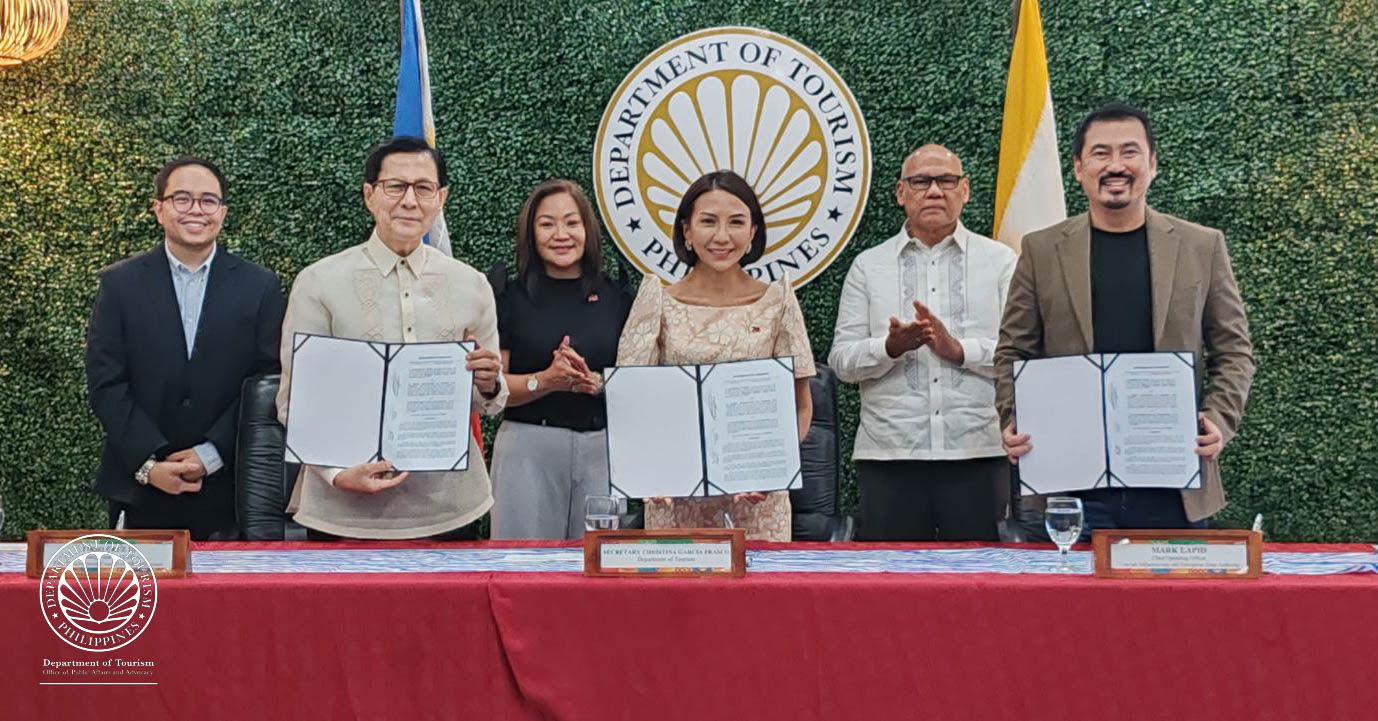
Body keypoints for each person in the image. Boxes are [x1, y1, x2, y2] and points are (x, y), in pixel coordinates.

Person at [996, 103, 1255, 530]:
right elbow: (1013, 351)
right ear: (1078, 168)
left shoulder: (1201, 247)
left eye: (1129, 152)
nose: (1115, 166)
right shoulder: (1041, 250)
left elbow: (1234, 351)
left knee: (1171, 598)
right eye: (1100, 154)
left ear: (1152, 164)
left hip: (1174, 481)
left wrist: (1218, 419)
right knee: (1072, 600)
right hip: (1071, 487)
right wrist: (1013, 418)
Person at [275, 136, 506, 540]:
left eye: (423, 188)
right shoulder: (320, 282)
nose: (409, 201)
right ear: (369, 195)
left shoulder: (471, 284)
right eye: (394, 186)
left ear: (441, 198)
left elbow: (488, 400)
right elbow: (295, 401)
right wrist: (335, 473)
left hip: (450, 508)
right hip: (343, 510)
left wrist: (487, 383)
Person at [86, 156, 284, 540]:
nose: (196, 210)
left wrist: (211, 454)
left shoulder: (259, 286)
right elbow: (105, 381)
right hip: (140, 486)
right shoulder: (120, 285)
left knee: (228, 601)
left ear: (222, 212)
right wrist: (149, 464)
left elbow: (267, 380)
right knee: (143, 598)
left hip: (229, 488)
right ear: (159, 209)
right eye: (182, 199)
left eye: (208, 200)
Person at [616, 170, 814, 542]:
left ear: (753, 232)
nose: (722, 236)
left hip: (758, 504)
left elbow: (800, 406)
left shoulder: (778, 300)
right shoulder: (657, 299)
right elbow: (631, 401)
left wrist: (772, 471)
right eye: (708, 222)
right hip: (674, 498)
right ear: (687, 232)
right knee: (678, 601)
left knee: (760, 599)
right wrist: (649, 473)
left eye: (736, 222)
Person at [829, 145, 1015, 541]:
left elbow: (1022, 354)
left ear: (964, 190)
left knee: (978, 587)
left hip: (976, 452)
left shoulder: (1001, 261)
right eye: (920, 182)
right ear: (900, 193)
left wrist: (959, 350)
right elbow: (842, 361)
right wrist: (889, 348)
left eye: (946, 181)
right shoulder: (868, 265)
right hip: (890, 455)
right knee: (892, 591)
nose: (934, 191)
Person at [487, 179, 633, 539]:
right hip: (528, 448)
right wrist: (546, 379)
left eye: (571, 222)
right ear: (531, 233)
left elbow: (638, 384)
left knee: (600, 577)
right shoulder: (508, 294)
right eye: (547, 224)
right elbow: (493, 388)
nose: (561, 234)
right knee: (523, 572)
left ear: (588, 229)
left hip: (602, 451)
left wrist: (596, 383)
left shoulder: (618, 295)